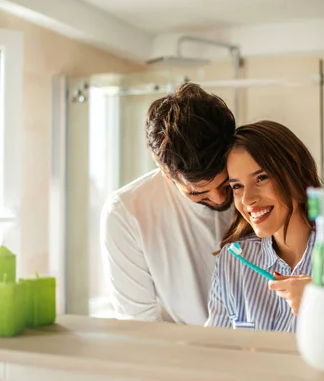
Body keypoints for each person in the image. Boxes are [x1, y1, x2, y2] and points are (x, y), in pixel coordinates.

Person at [100, 83, 235, 325]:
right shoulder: (126, 213)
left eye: (226, 184)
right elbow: (140, 324)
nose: (219, 198)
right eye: (199, 193)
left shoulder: (256, 187)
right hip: (180, 355)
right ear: (166, 173)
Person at [205, 120, 324, 332]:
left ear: (295, 173)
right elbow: (216, 353)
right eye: (237, 186)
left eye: (261, 178)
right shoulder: (232, 261)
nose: (248, 199)